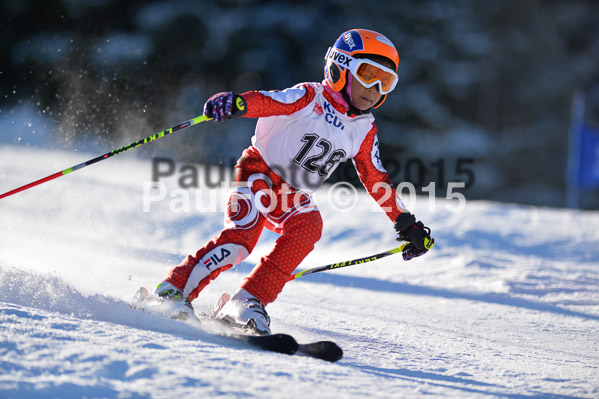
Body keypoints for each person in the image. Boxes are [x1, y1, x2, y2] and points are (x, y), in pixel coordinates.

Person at [153, 28, 434, 335]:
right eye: (368, 74)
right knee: (242, 239)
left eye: (386, 82)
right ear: (340, 68)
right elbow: (269, 102)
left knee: (309, 225)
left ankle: (248, 300)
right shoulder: (309, 96)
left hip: (292, 193)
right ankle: (172, 290)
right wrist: (237, 104)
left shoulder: (363, 128)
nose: (375, 88)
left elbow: (375, 177)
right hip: (258, 173)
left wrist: (405, 222)